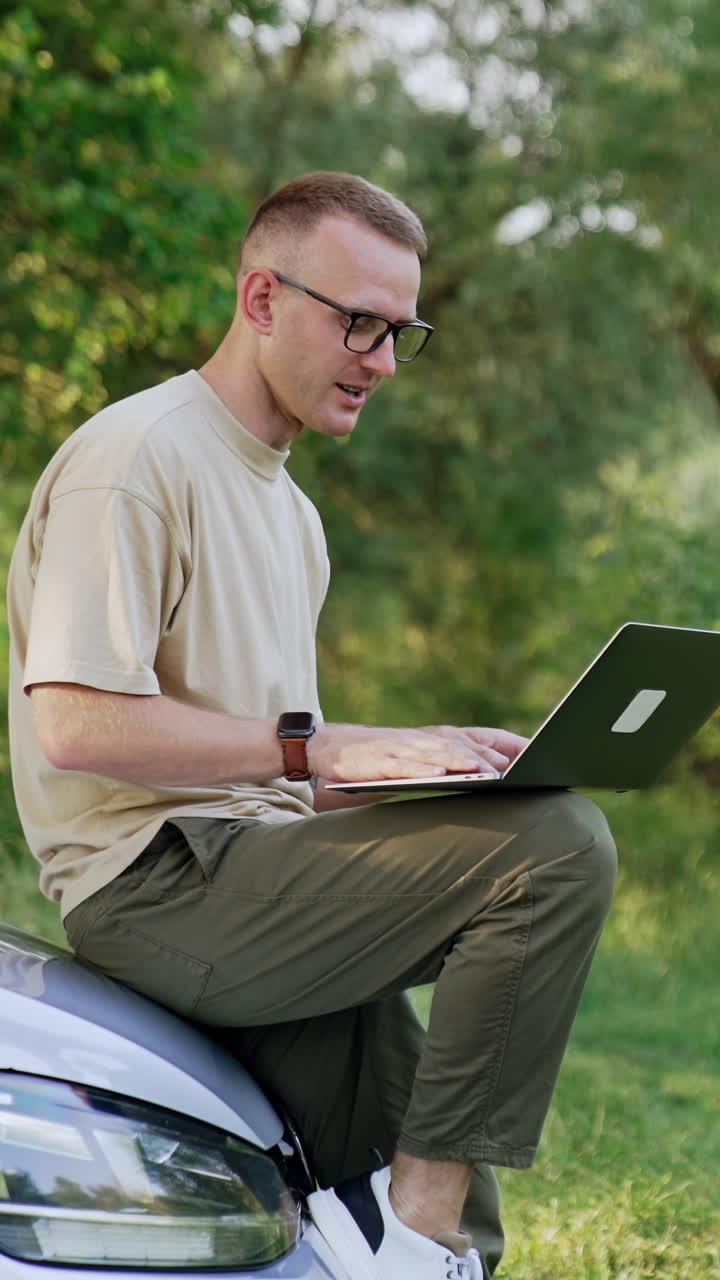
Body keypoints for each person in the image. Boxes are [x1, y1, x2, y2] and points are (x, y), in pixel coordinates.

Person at [7, 171, 617, 1280]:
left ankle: (425, 1233)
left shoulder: (293, 515)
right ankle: (409, 1226)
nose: (383, 360)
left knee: (450, 1200)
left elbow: (292, 770)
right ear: (261, 299)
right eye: (361, 322)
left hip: (262, 870)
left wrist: (429, 772)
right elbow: (77, 723)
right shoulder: (138, 457)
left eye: (402, 332)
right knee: (560, 848)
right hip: (155, 884)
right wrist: (312, 746)